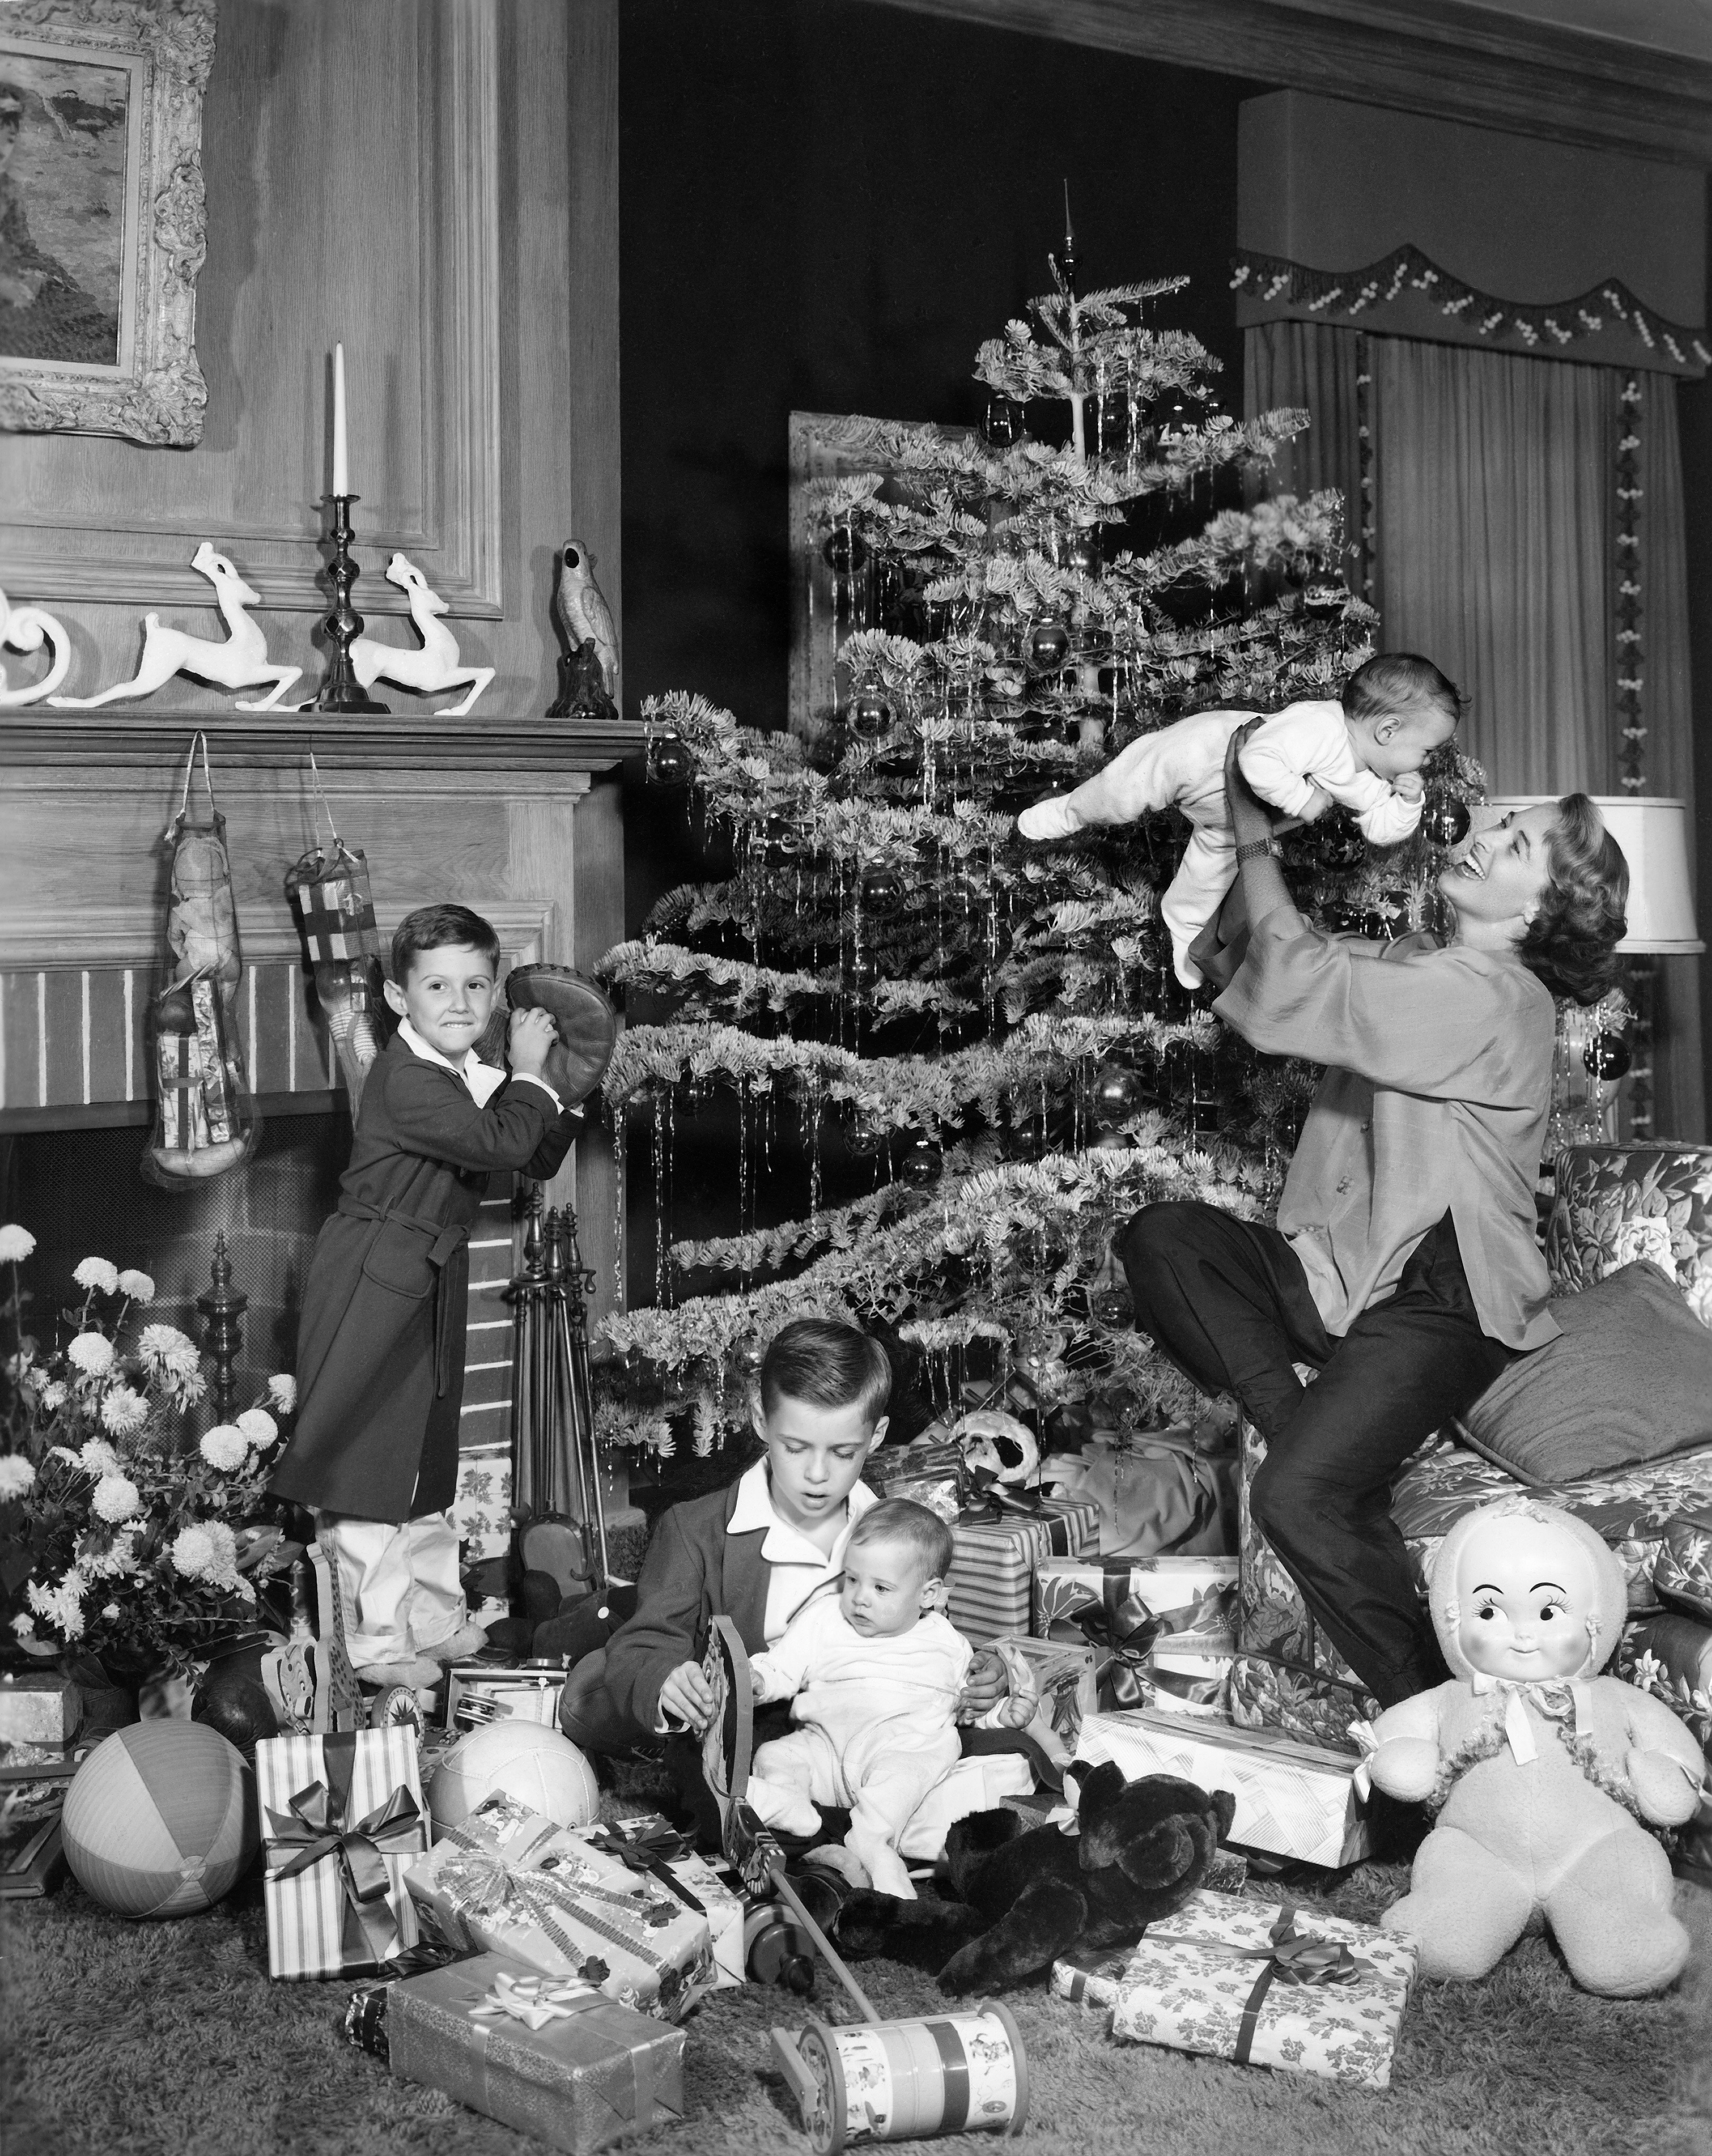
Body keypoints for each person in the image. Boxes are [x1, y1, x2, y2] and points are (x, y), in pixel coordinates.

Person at [1118, 728, 1629, 1708]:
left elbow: (1300, 984)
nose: (1485, 836)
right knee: (1164, 1237)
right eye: (1504, 823)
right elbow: (1248, 958)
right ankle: (1298, 1420)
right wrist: (1233, 821)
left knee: (1297, 1494)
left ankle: (1437, 1726)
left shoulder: (1500, 998)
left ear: (1535, 910)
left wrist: (1257, 834)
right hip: (1338, 1272)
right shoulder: (1413, 963)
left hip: (1448, 1291)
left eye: (1515, 844)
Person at [269, 904, 582, 1690]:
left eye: (478, 984)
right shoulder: (407, 1080)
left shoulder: (461, 1073)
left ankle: (433, 1620)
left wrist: (563, 1088)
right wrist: (530, 1074)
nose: (460, 1003)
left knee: (422, 1463)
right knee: (368, 1466)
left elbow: (533, 1156)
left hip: (420, 1274)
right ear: (398, 997)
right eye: (437, 985)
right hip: (372, 1275)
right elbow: (502, 1140)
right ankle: (374, 1647)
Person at [559, 1318, 1008, 1840]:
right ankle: (573, 1618)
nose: (818, 1474)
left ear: (876, 1436)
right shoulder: (693, 1529)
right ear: (760, 1420)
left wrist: (980, 1673)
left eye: (843, 1452)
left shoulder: (892, 1530)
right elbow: (649, 1642)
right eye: (796, 1447)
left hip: (851, 1721)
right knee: (597, 1689)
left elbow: (922, 1628)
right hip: (759, 1716)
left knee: (980, 1771)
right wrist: (664, 1680)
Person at [1017, 652, 1460, 987]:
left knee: (1210, 872)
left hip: (1231, 816)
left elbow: (1381, 828)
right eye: (1425, 751)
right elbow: (1257, 758)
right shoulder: (1318, 727)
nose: (1422, 763)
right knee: (1121, 793)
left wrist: (1407, 804)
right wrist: (1302, 799)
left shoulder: (1364, 774)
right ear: (1387, 731)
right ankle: (1071, 809)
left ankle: (1185, 930)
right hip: (1201, 759)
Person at [743, 1498, 1025, 1899]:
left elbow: (969, 1706)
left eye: (881, 1588)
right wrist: (758, 1679)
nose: (860, 1598)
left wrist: (999, 1716)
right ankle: (790, 1803)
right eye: (852, 1580)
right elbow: (782, 1667)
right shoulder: (825, 1618)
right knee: (776, 1754)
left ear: (928, 1595)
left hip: (897, 1747)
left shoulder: (946, 1643)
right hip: (826, 1746)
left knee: (912, 1771)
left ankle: (873, 1841)